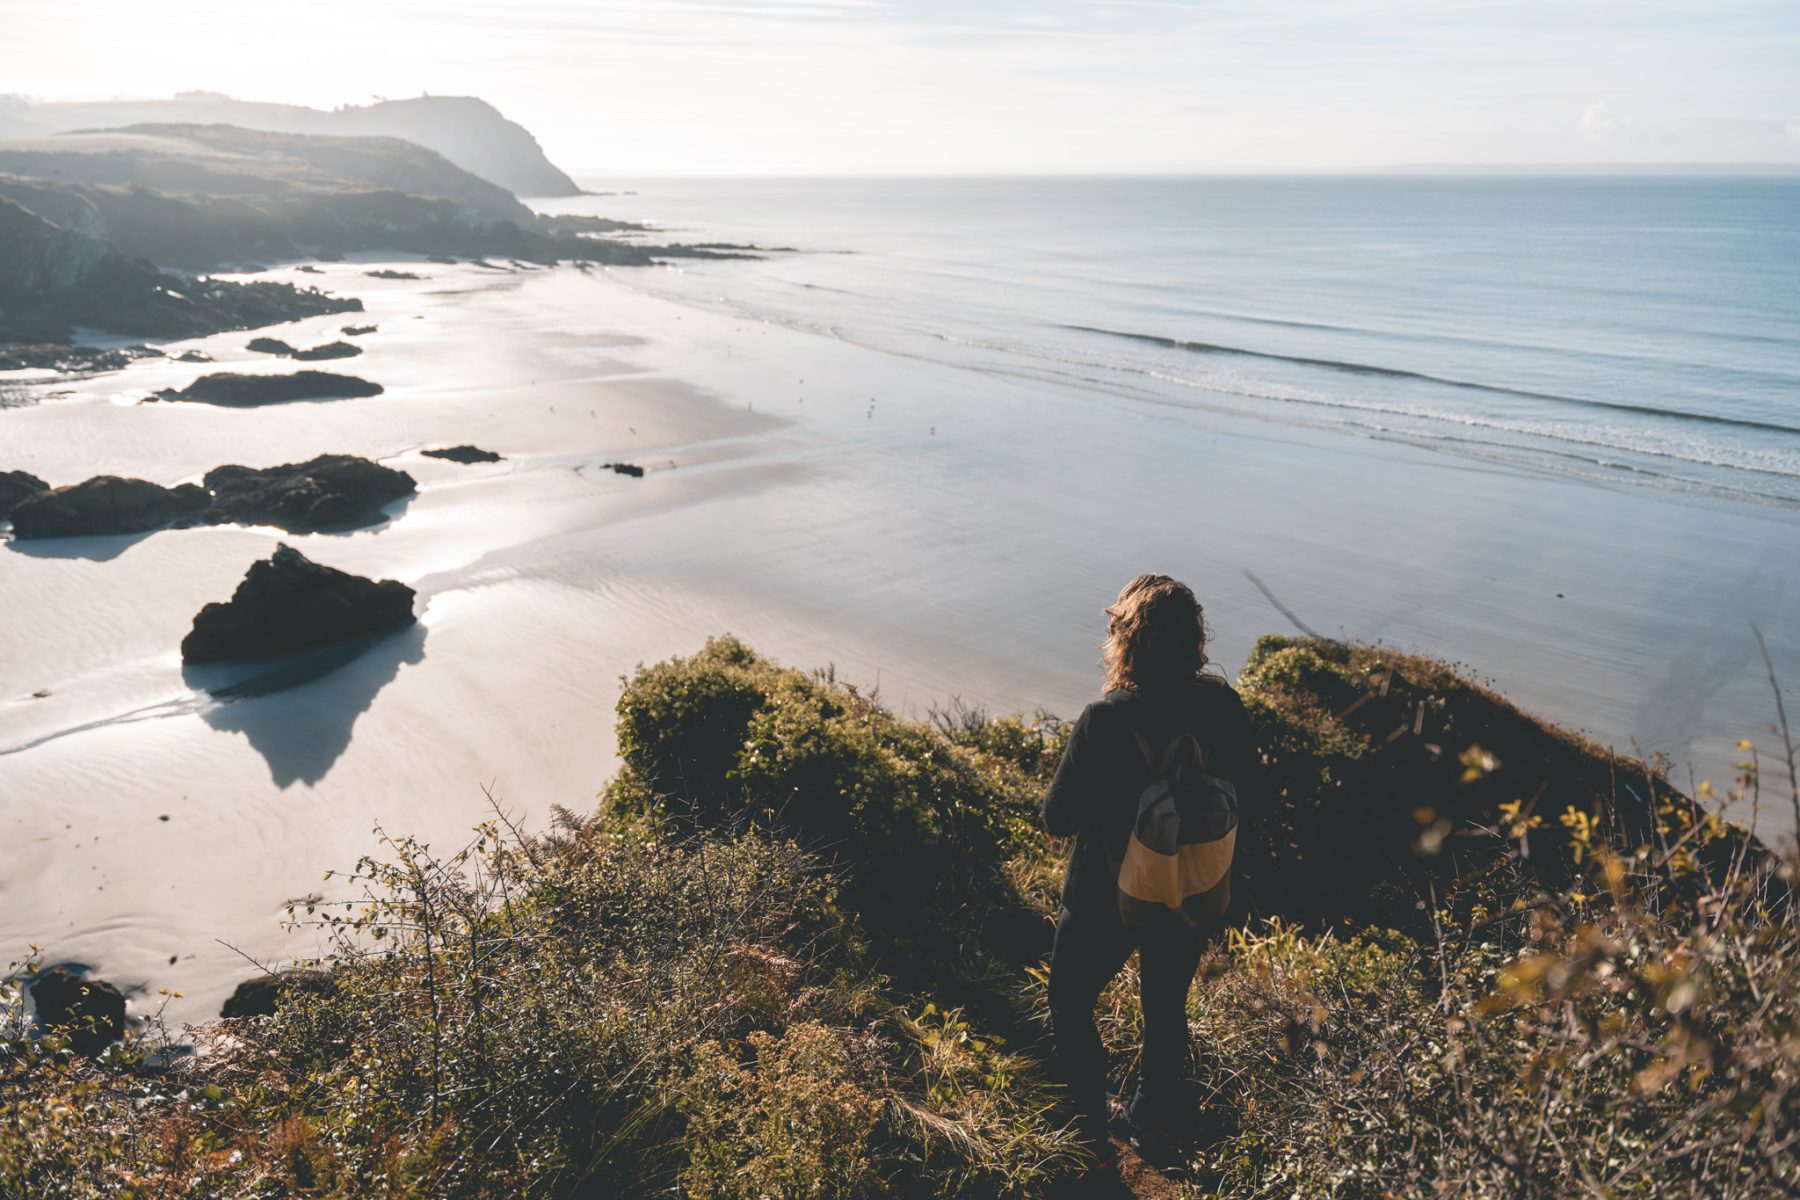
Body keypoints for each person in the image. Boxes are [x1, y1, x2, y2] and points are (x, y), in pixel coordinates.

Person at [1040, 573, 1257, 1155]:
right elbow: (1251, 794)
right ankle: (1150, 1118)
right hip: (1189, 887)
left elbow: (1057, 818)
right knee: (1165, 1007)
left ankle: (1088, 1121)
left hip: (1103, 899)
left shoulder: (1105, 718)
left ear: (1126, 639)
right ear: (1196, 639)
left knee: (1070, 998)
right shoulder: (1223, 705)